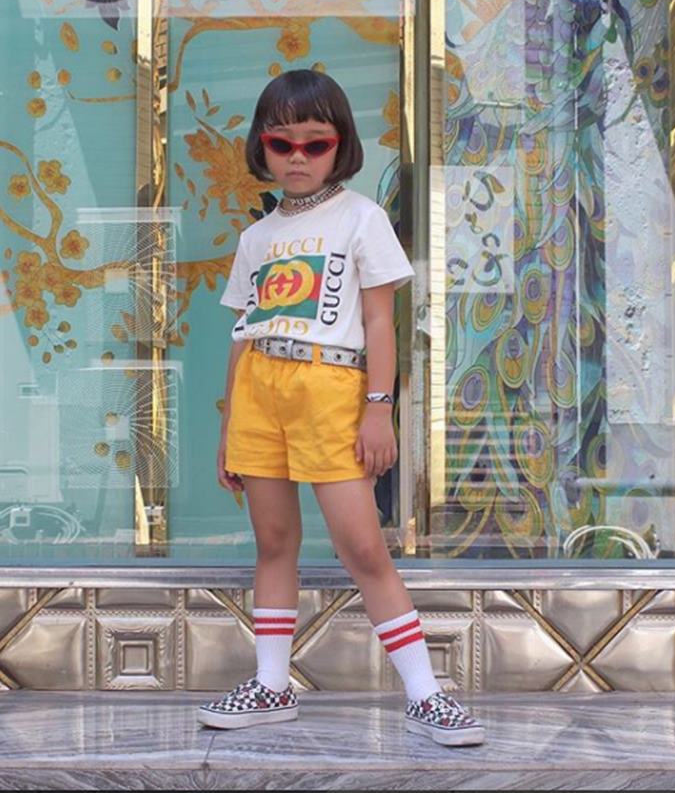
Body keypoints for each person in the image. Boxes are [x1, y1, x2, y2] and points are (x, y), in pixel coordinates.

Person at [197, 69, 484, 747]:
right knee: (274, 541)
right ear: (262, 146)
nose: (297, 156)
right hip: (260, 388)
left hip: (330, 386)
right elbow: (242, 333)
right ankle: (271, 684)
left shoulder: (362, 217)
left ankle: (426, 693)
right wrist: (229, 424)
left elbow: (381, 321)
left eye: (315, 143)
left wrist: (378, 407)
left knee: (361, 546)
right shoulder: (256, 237)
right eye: (281, 142)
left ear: (340, 145)